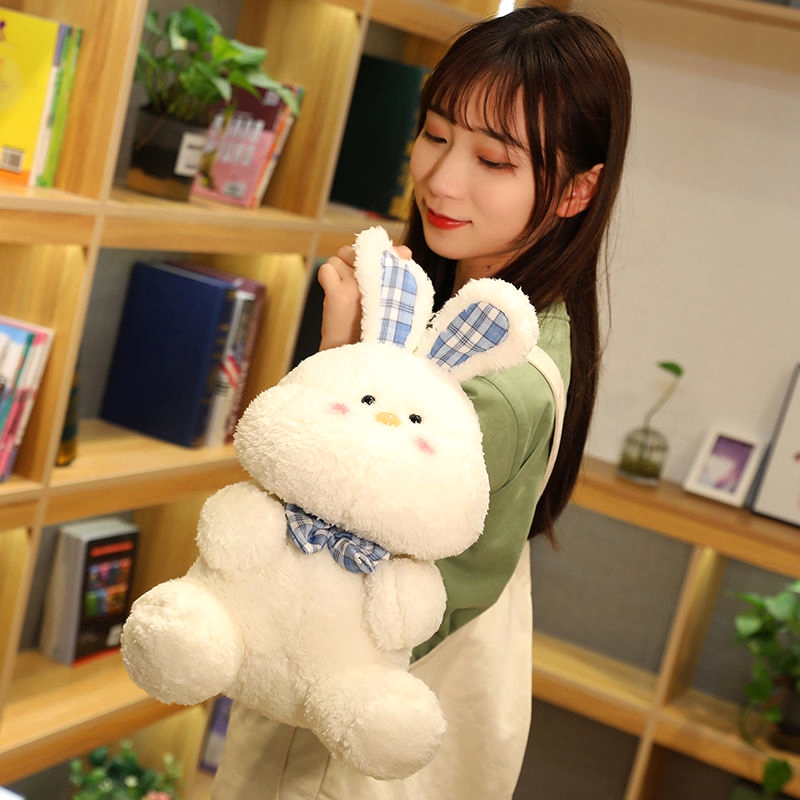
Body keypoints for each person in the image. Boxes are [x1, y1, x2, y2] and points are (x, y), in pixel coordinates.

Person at [212, 4, 631, 798]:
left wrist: (340, 355)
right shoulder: (501, 314)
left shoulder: (496, 383)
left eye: (493, 160)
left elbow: (322, 554)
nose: (442, 178)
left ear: (578, 191)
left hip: (362, 726)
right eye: (435, 134)